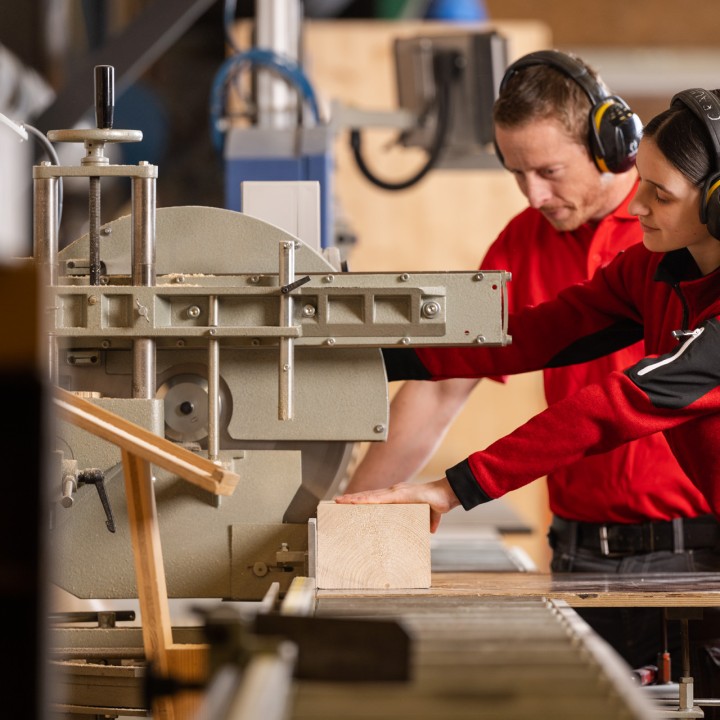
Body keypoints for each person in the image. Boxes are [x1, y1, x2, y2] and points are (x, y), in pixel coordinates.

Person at [338, 88, 720, 695]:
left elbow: (614, 407)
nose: (639, 204)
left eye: (661, 193)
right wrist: (381, 357)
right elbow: (538, 333)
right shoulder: (654, 269)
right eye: (642, 182)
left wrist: (449, 490)